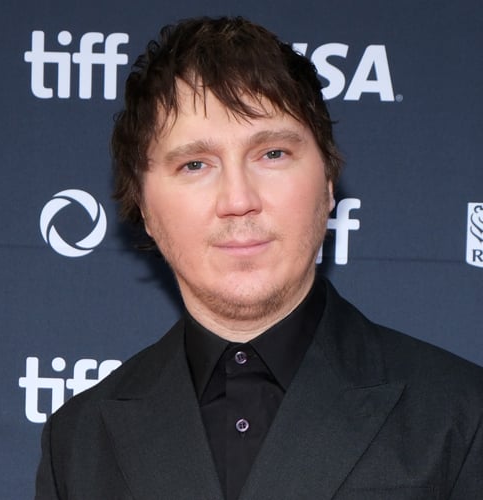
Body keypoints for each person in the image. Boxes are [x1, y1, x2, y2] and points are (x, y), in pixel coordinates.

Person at [35, 16, 483, 499]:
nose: (238, 199)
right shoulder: (78, 442)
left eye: (272, 154)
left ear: (328, 183)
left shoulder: (461, 417)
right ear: (143, 207)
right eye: (195, 164)